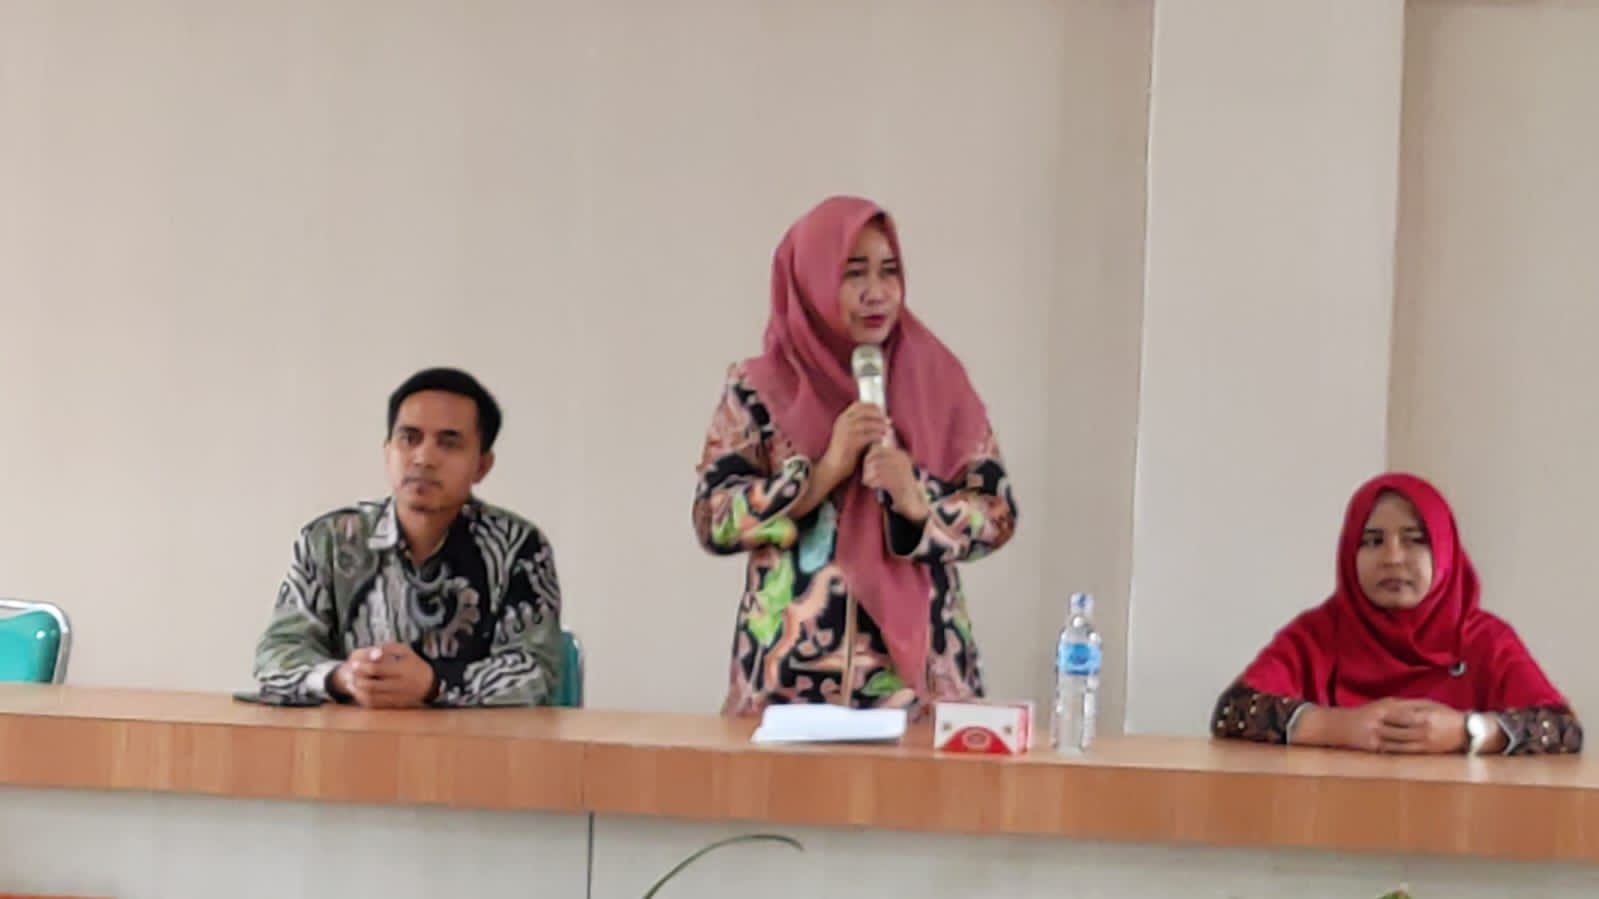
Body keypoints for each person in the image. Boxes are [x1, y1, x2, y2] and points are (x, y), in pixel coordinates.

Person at [693, 195, 1018, 717]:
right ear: (812, 282)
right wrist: (819, 476)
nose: (876, 292)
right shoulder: (757, 390)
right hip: (787, 691)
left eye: (889, 271)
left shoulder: (938, 380)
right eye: (853, 273)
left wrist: (918, 499)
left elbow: (997, 516)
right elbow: (714, 520)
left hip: (922, 691)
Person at [253, 367, 563, 708]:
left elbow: (537, 672)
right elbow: (276, 655)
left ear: (481, 466)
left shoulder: (518, 547)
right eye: (409, 438)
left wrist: (435, 684)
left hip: (473, 740)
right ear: (388, 451)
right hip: (350, 735)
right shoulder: (329, 540)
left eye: (449, 443)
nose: (424, 458)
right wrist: (343, 677)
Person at [1212, 472, 1580, 755]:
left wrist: (1467, 732)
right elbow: (1233, 712)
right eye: (1372, 541)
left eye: (1415, 539)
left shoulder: (1484, 639)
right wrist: (1339, 727)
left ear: (1445, 552)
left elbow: (1562, 729)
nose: (1392, 558)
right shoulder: (1318, 633)